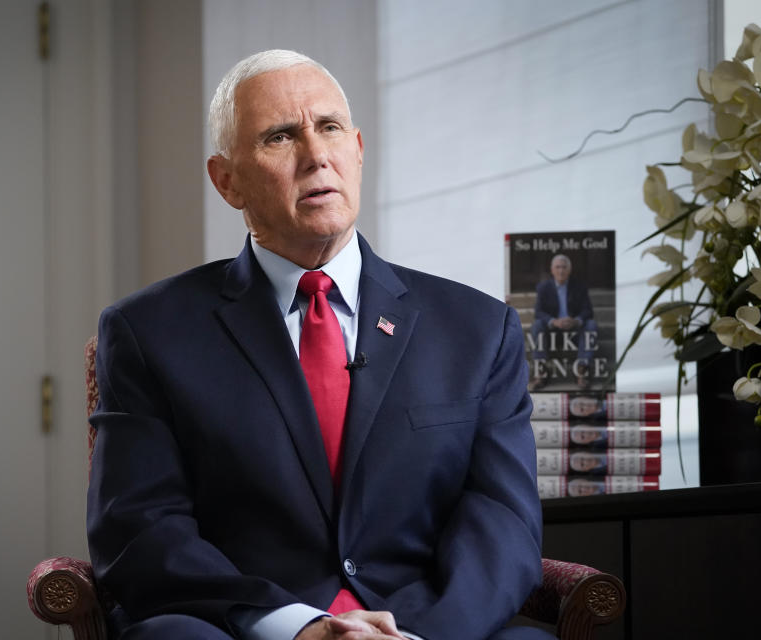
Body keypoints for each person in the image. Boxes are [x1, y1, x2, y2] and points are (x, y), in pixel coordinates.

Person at [87, 49, 549, 640]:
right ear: (226, 180)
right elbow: (139, 527)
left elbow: (502, 522)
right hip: (243, 627)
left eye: (329, 128)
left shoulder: (479, 330)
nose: (315, 155)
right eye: (280, 137)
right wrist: (298, 627)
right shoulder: (149, 331)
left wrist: (415, 635)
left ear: (357, 150)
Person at [528, 254, 598, 391]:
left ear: (569, 270)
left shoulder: (579, 286)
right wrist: (554, 321)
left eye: (564, 267)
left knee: (590, 324)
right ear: (552, 270)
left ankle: (581, 371)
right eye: (558, 267)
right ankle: (541, 372)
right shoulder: (543, 287)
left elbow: (588, 311)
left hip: (574, 331)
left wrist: (576, 321)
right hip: (552, 331)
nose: (561, 271)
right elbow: (538, 312)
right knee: (537, 325)